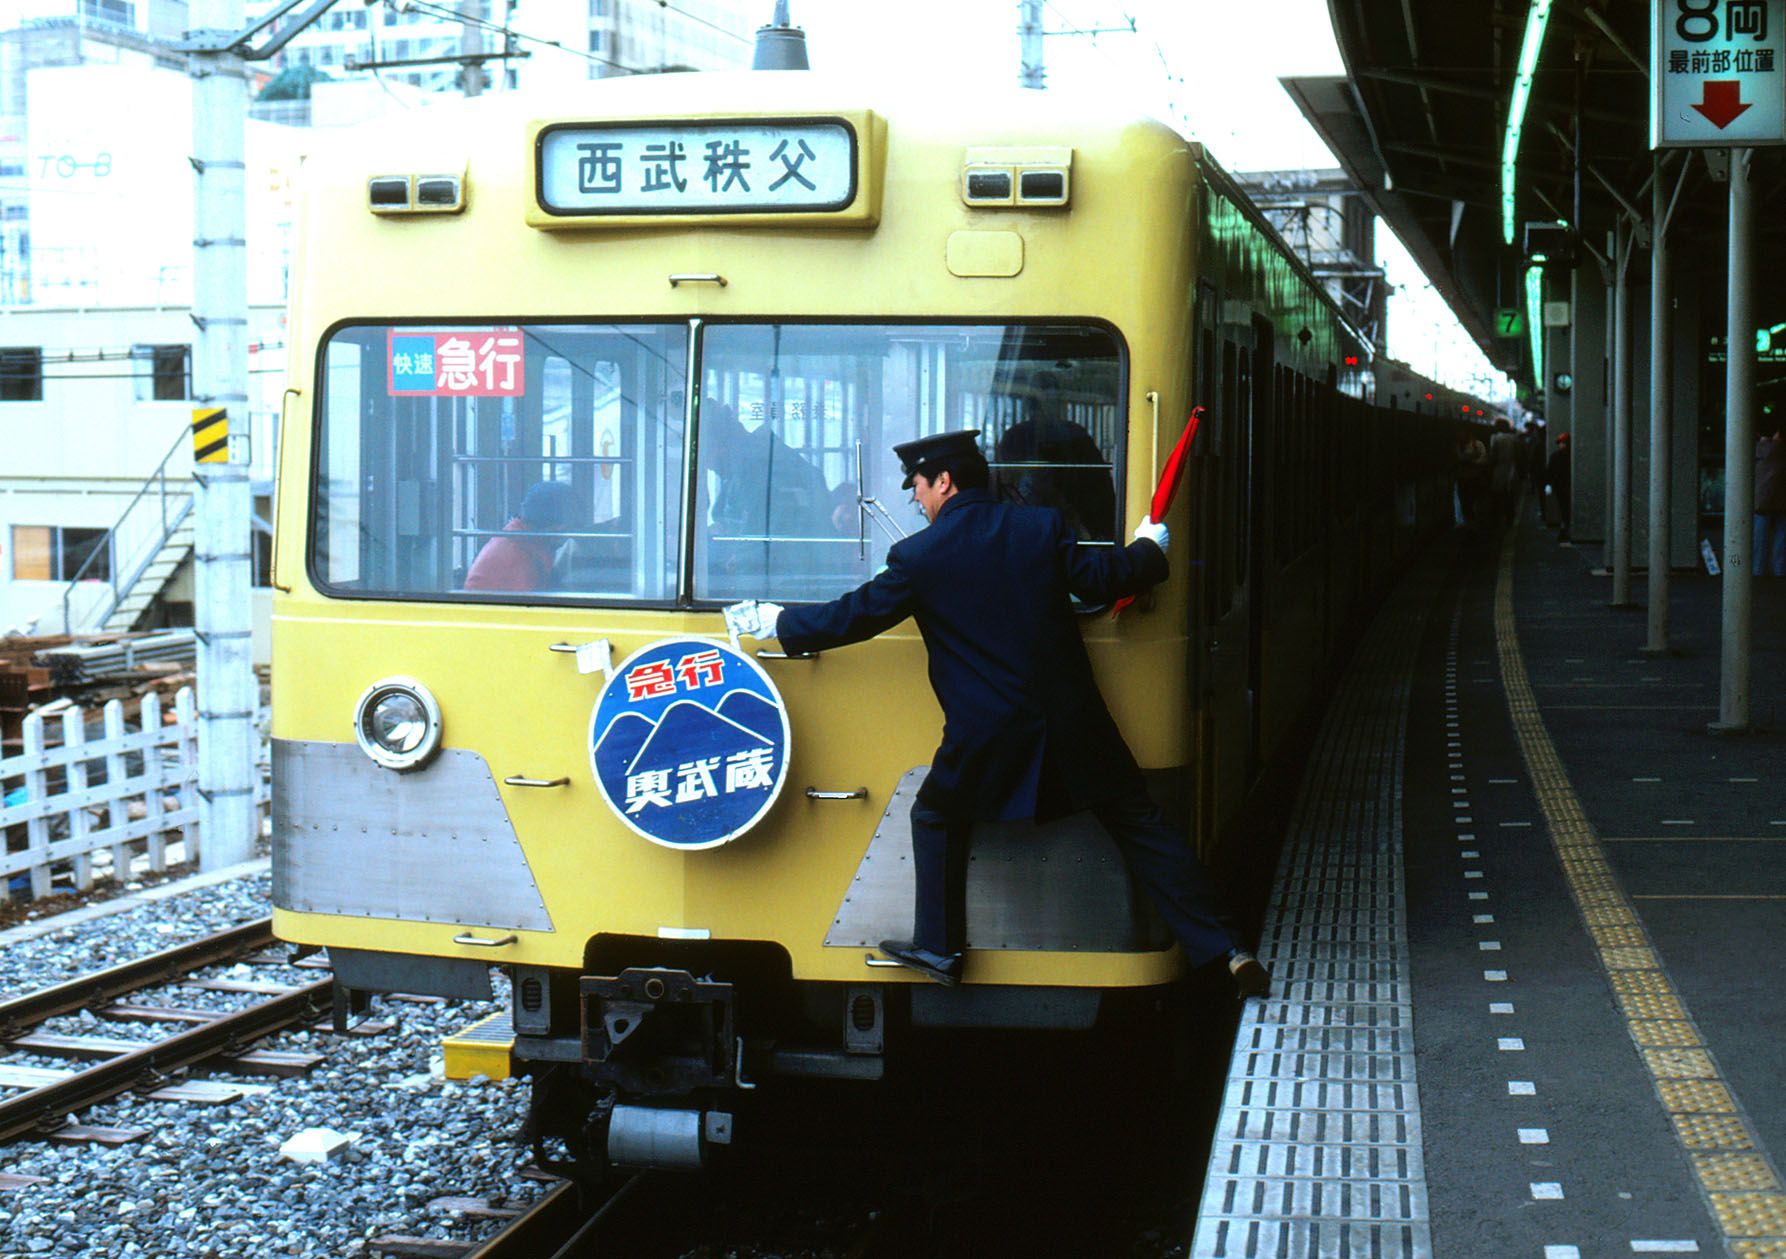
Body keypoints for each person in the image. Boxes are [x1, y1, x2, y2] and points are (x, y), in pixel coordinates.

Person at [725, 429, 1269, 999]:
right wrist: (1150, 550)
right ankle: (1227, 950)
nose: (916, 500)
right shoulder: (1039, 527)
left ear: (945, 480)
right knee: (1141, 825)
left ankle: (938, 947)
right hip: (1072, 722)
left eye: (918, 487)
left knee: (935, 814)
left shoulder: (919, 556)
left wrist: (777, 622)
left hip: (989, 735)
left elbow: (852, 618)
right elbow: (1103, 579)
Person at [463, 479, 574, 592]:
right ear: (554, 528)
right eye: (566, 528)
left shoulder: (527, 542)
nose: (568, 535)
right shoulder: (516, 556)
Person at [1756, 426, 1786, 577]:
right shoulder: (1781, 452)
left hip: (1762, 501)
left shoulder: (1760, 452)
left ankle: (1757, 569)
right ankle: (1779, 570)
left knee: (1760, 536)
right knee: (1781, 537)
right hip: (1781, 500)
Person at [1488, 417, 1523, 528]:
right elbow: (1519, 455)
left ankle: (1496, 520)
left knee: (1497, 496)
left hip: (1499, 469)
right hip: (1512, 469)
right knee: (1510, 496)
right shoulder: (1514, 438)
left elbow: (1493, 455)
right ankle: (1510, 519)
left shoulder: (1495, 438)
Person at [1545, 432, 1573, 543]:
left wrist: (1548, 484)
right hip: (1563, 485)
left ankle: (1564, 529)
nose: (1562, 445)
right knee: (1565, 508)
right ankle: (1564, 529)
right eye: (1561, 443)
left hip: (1559, 486)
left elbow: (1549, 471)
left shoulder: (1555, 456)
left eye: (1563, 443)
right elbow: (1549, 471)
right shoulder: (1570, 456)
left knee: (1564, 508)